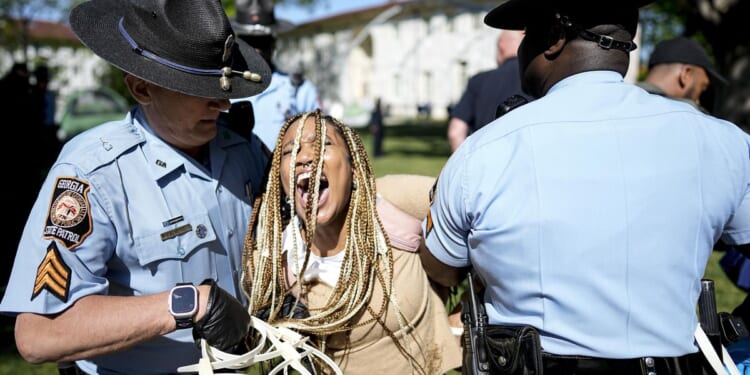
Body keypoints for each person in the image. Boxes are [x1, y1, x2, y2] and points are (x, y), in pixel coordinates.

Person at [419, 0, 750, 373]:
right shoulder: (724, 142)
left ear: (554, 38)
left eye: (528, 34)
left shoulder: (484, 151)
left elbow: (440, 266)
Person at [0, 0, 273, 373]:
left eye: (222, 85)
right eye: (198, 88)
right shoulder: (93, 174)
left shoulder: (244, 151)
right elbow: (38, 334)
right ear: (142, 89)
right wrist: (186, 304)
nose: (224, 104)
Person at [238, 109, 461, 374]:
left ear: (354, 169)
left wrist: (468, 307)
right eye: (290, 151)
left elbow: (482, 211)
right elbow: (251, 347)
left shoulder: (392, 201)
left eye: (323, 144)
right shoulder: (274, 262)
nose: (305, 156)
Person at [231, 0, 321, 151]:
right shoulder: (223, 85)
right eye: (250, 41)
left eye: (262, 41)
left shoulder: (299, 88)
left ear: (273, 44)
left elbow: (319, 134)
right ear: (238, 44)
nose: (256, 49)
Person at [447, 29, 527, 153]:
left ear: (501, 46)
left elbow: (455, 132)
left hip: (485, 161)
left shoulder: (478, 81)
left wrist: (465, 164)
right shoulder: (538, 79)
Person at [637, 36, 727, 112]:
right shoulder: (690, 116)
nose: (698, 101)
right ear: (686, 74)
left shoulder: (625, 99)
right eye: (702, 89)